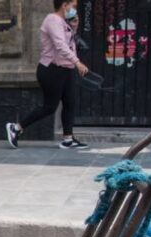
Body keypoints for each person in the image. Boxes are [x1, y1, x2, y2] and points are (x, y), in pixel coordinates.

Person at [6, 0, 90, 150]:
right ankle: (16, 128)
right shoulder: (52, 20)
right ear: (65, 5)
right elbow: (60, 45)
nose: (75, 10)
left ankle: (68, 139)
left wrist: (74, 28)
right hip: (52, 70)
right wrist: (78, 62)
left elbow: (68, 44)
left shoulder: (62, 22)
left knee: (70, 103)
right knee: (50, 107)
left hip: (66, 69)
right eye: (73, 6)